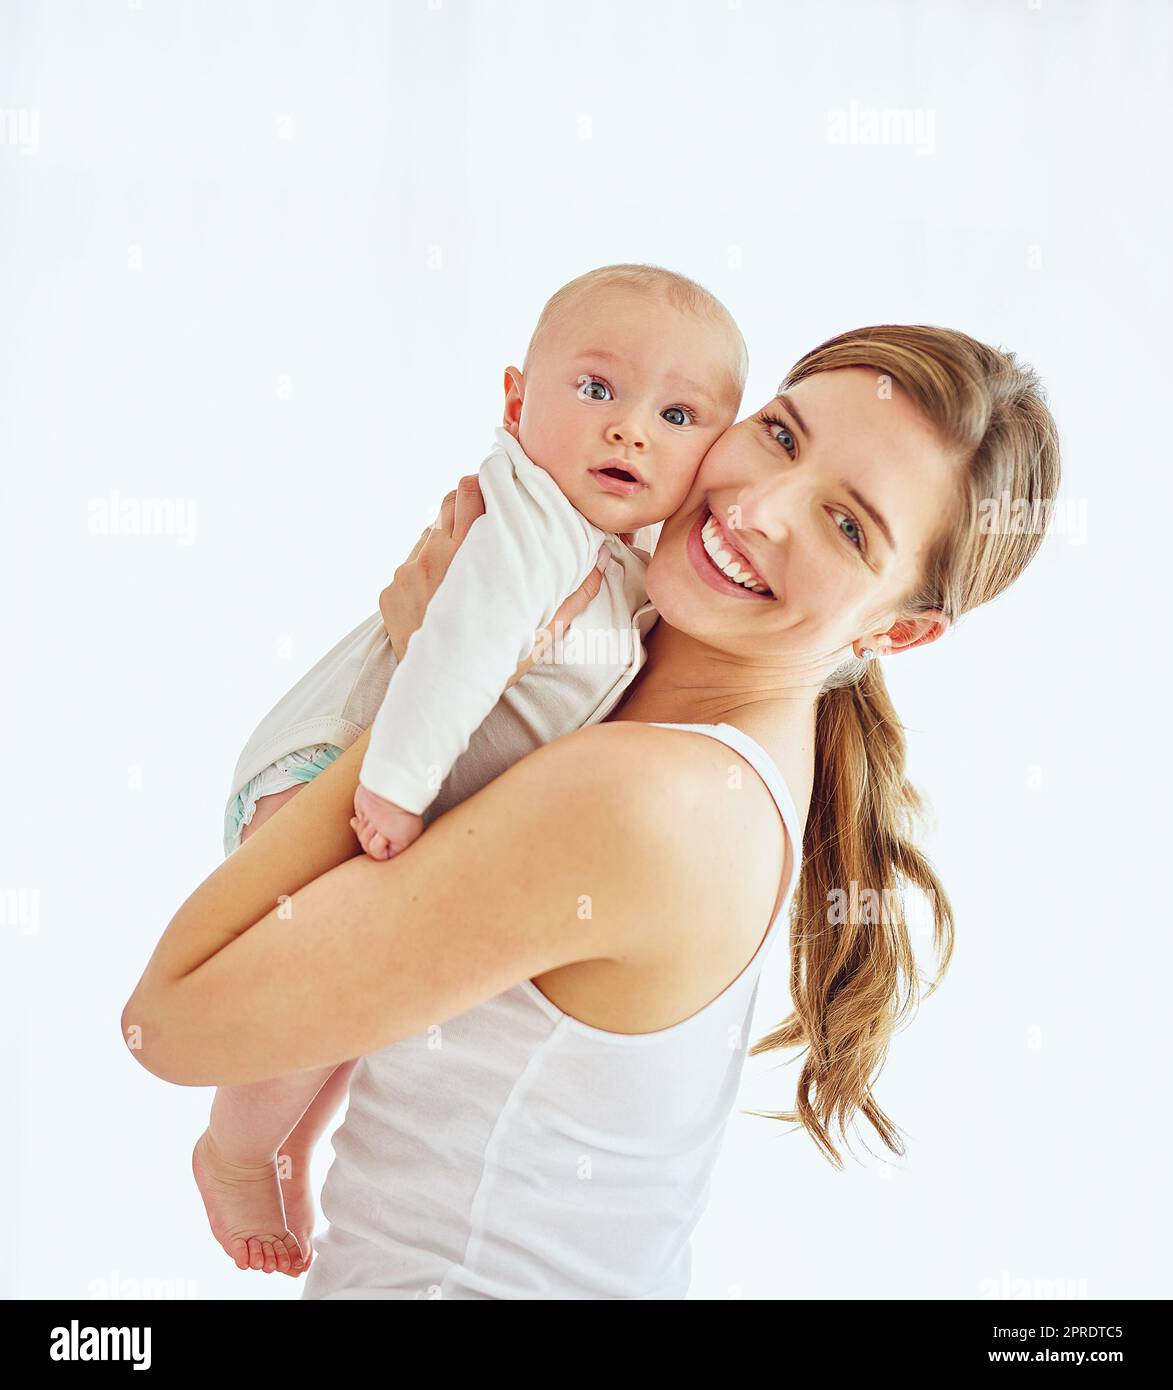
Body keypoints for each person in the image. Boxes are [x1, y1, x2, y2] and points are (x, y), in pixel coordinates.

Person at [121, 322, 1062, 1299]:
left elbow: (171, 1022)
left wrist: (433, 686)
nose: (760, 507)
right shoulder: (638, 662)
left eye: (849, 526)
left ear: (898, 629)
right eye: (782, 436)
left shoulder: (652, 802)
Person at [193, 262, 747, 1274]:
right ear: (514, 400)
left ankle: (292, 1139)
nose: (630, 429)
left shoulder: (619, 555)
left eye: (676, 414)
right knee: (310, 996)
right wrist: (395, 790)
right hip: (337, 768)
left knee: (343, 1012)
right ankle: (235, 1149)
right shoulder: (535, 525)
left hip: (380, 782)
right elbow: (453, 655)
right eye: (597, 390)